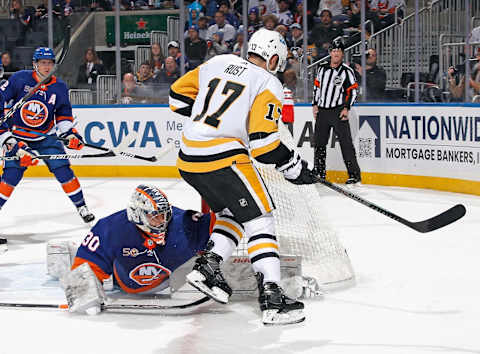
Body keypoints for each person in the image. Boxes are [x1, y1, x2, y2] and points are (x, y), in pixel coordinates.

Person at [169, 28, 317, 325]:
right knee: (260, 216)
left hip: (188, 158)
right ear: (273, 58)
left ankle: (208, 268)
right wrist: (293, 165)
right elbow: (263, 145)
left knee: (234, 212)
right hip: (223, 157)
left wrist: (211, 117)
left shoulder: (218, 61)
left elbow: (176, 97)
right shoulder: (267, 81)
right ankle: (272, 298)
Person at [0, 47, 95, 248]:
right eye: (43, 63)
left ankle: (82, 207)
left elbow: (63, 116)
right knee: (10, 179)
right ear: (35, 64)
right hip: (18, 138)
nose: (46, 66)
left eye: (49, 63)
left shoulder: (59, 87)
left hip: (46, 137)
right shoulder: (19, 79)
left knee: (64, 171)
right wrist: (13, 145)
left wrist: (70, 134)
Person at [312, 38, 361, 184]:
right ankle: (319, 172)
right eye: (334, 51)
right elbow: (317, 87)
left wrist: (346, 108)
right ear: (330, 53)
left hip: (338, 111)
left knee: (346, 143)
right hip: (323, 111)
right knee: (319, 143)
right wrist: (315, 104)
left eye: (339, 51)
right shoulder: (322, 68)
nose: (336, 54)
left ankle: (354, 174)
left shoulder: (347, 71)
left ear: (342, 54)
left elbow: (352, 91)